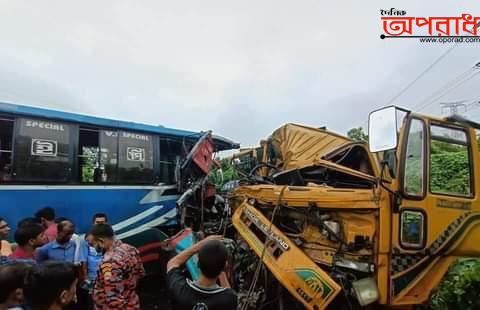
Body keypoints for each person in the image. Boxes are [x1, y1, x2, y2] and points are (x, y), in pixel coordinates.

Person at [166, 235, 237, 310]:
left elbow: (173, 263)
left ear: (198, 264)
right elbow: (228, 293)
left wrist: (200, 245)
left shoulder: (180, 290)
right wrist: (221, 268)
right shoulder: (229, 300)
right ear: (225, 266)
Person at [89, 224, 144, 309]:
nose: (94, 248)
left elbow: (113, 297)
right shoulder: (130, 248)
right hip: (132, 301)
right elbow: (140, 273)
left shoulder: (109, 262)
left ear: (101, 241)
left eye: (93, 244)